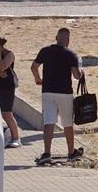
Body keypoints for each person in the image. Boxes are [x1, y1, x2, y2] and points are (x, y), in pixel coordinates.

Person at [31, 27, 84, 164]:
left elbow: (34, 66)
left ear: (56, 37)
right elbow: (76, 75)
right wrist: (81, 71)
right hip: (65, 92)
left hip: (47, 91)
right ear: (68, 40)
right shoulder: (70, 54)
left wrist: (38, 79)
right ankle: (71, 152)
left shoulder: (45, 51)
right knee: (67, 123)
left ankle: (47, 152)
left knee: (49, 122)